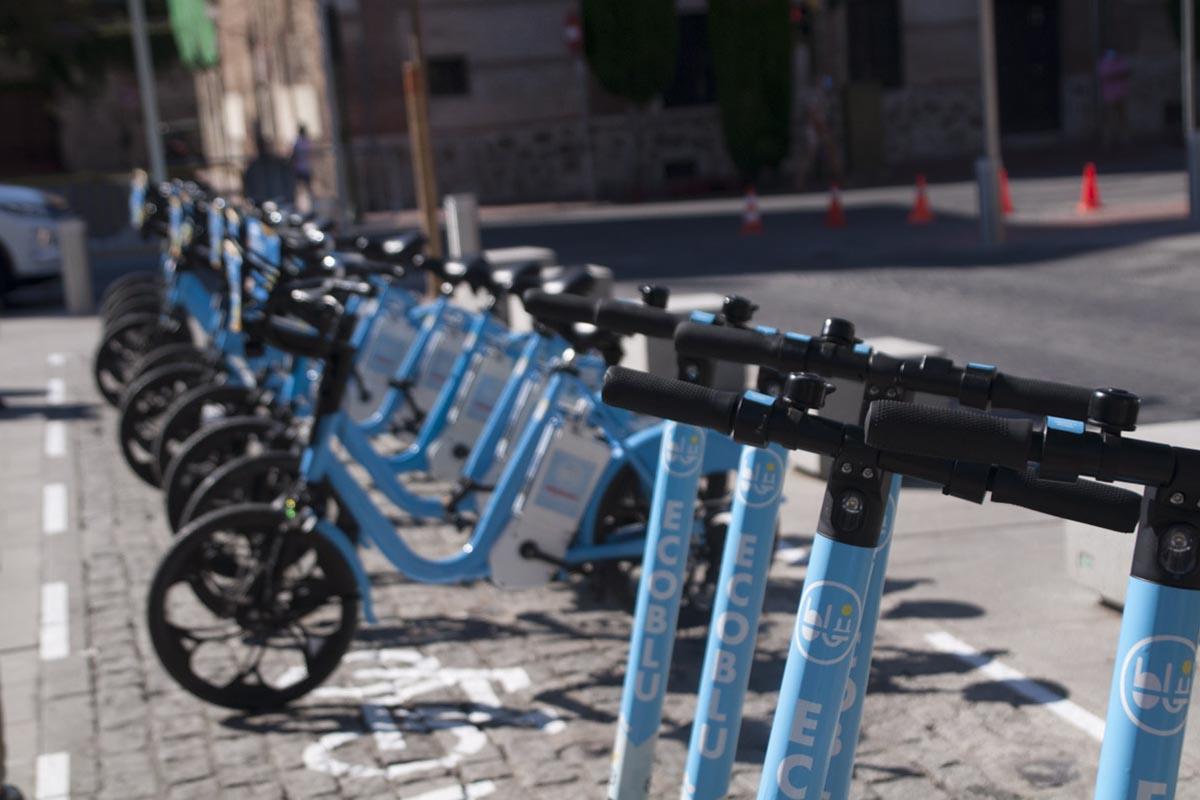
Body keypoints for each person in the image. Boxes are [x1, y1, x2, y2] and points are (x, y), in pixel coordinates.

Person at [1098, 49, 1131, 150]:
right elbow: (1106, 76)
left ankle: (1124, 138)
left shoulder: (1120, 62)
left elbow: (1125, 73)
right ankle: (1108, 140)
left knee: (1122, 118)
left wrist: (1115, 75)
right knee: (1109, 119)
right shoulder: (1104, 64)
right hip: (1109, 97)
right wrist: (1116, 75)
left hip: (1121, 94)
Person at [291, 124, 314, 209]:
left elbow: (294, 154)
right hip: (305, 168)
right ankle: (307, 203)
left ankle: (301, 204)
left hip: (300, 168)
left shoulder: (298, 142)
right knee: (306, 187)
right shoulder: (307, 142)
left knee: (300, 188)